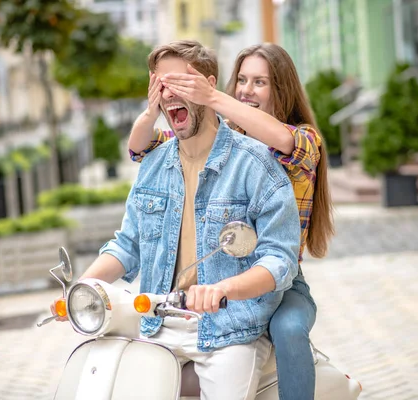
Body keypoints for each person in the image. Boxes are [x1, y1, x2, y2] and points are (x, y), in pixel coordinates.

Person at [53, 40, 302, 400]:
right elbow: (128, 245)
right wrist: (81, 289)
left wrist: (223, 289)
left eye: (181, 83)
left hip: (230, 329)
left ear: (208, 86)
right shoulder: (154, 165)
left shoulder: (257, 164)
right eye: (162, 86)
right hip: (157, 325)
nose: (170, 95)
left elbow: (279, 259)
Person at [128, 42, 335, 400]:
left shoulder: (303, 139)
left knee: (287, 330)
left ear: (281, 88)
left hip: (280, 277)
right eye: (241, 80)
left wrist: (212, 98)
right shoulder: (227, 136)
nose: (246, 90)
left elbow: (282, 140)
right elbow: (142, 148)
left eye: (259, 82)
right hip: (222, 282)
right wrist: (151, 109)